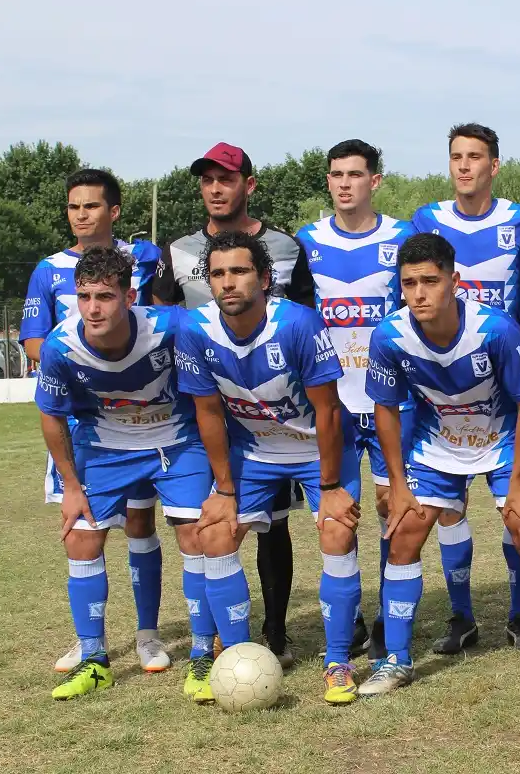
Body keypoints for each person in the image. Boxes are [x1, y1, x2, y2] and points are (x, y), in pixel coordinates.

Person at [360, 233, 520, 703]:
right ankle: (396, 659)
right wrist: (397, 484)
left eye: (430, 281)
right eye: (409, 283)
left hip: (501, 440)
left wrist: (519, 483)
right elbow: (385, 409)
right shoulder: (389, 336)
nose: (419, 293)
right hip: (436, 443)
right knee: (404, 535)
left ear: (454, 281)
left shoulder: (494, 329)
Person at [176, 230, 365, 705]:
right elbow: (207, 413)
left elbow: (329, 410)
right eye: (218, 273)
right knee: (214, 532)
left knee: (337, 531)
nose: (228, 282)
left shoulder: (298, 324)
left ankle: (338, 662)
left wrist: (331, 486)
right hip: (254, 452)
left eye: (239, 271)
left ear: (263, 279)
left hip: (317, 450)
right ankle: (238, 656)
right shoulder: (195, 329)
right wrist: (224, 490)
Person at [153, 142, 320, 667]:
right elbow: (160, 325)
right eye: (207, 180)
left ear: (248, 185)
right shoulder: (177, 251)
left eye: (225, 179)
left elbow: (303, 323)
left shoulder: (286, 247)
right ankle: (215, 639)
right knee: (207, 522)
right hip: (201, 410)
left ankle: (275, 632)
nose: (215, 189)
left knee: (273, 522)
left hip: (267, 414)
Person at [35, 247, 213, 701]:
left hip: (175, 441)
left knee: (196, 534)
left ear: (129, 297)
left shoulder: (172, 326)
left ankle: (202, 654)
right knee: (80, 537)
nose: (93, 308)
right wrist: (71, 487)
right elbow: (51, 416)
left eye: (105, 296)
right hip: (104, 447)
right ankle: (94, 660)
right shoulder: (60, 346)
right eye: (84, 296)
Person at [19, 168, 166, 675]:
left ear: (113, 211)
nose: (81, 215)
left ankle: (148, 634)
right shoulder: (49, 270)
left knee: (141, 523)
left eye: (91, 206)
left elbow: (161, 321)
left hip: (145, 416)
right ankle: (90, 642)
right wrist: (87, 363)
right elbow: (34, 342)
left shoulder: (145, 258)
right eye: (73, 206)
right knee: (81, 529)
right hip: (87, 422)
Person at [411, 123, 520, 656]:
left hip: (502, 386)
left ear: (494, 165)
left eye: (475, 157)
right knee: (449, 509)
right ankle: (461, 615)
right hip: (443, 389)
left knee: (516, 506)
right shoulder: (427, 219)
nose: (464, 166)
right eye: (457, 157)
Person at [295, 139, 415, 664]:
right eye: (336, 175)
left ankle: (389, 618)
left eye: (355, 174)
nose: (344, 184)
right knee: (338, 519)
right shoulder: (307, 241)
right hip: (333, 409)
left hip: (390, 402)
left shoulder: (402, 236)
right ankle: (350, 623)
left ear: (375, 181)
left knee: (393, 510)